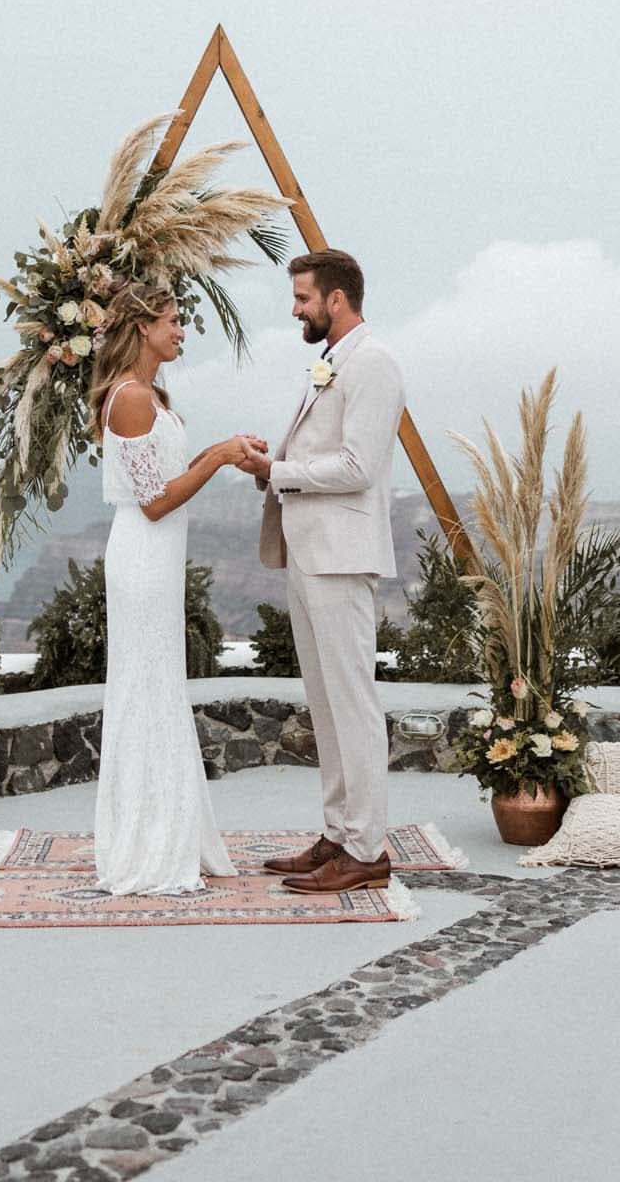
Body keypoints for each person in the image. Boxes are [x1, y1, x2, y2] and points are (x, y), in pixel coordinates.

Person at [89, 280, 268, 894]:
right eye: (171, 321)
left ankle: (170, 829)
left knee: (161, 685)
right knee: (145, 686)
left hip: (158, 561)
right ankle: (145, 843)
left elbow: (166, 485)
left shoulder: (151, 395)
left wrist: (226, 451)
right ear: (142, 327)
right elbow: (155, 502)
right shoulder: (130, 398)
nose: (180, 331)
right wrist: (218, 457)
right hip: (142, 558)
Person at [237, 248, 405, 893]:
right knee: (325, 704)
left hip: (341, 556)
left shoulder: (375, 363)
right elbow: (319, 450)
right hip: (309, 551)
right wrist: (272, 456)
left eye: (303, 297)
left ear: (337, 299)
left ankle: (367, 849)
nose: (295, 308)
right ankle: (339, 832)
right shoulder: (330, 363)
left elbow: (359, 466)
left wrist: (276, 472)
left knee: (352, 703)